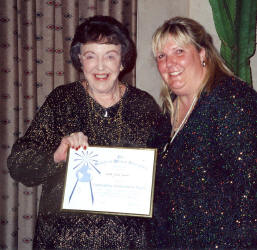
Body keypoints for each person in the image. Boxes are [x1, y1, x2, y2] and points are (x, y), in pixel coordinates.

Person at [7, 15, 162, 249]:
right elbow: (18, 164)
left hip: (127, 242)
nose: (100, 66)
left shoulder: (144, 105)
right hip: (63, 241)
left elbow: (163, 170)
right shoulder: (62, 101)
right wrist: (56, 157)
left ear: (122, 61)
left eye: (110, 56)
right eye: (91, 56)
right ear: (80, 61)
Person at [149, 16, 257, 248]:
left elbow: (250, 193)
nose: (169, 63)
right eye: (161, 56)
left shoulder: (232, 101)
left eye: (179, 51)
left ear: (202, 54)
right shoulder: (168, 110)